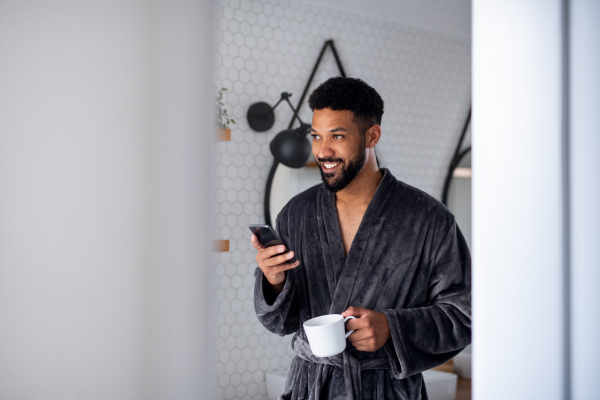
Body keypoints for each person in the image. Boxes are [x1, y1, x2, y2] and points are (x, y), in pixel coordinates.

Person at [251, 77, 471, 399]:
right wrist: (273, 281)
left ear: (372, 136)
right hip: (308, 388)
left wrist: (392, 328)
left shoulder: (428, 220)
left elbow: (463, 315)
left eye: (337, 136)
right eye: (316, 136)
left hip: (387, 391)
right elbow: (279, 323)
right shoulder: (295, 215)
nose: (322, 151)